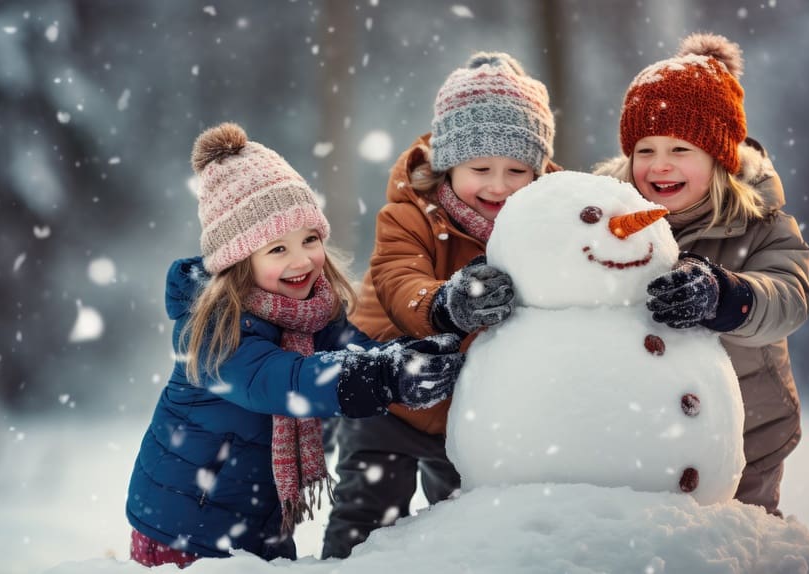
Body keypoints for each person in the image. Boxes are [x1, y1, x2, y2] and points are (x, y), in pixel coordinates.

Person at [125, 122, 465, 567]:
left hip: (258, 524)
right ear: (238, 262)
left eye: (309, 240)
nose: (302, 259)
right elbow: (281, 380)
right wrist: (377, 379)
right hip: (184, 531)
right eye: (277, 249)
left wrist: (404, 359)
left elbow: (351, 350)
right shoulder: (211, 330)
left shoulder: (310, 310)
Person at [322, 51, 559, 558]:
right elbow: (396, 277)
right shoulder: (409, 214)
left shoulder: (549, 219)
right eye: (480, 168)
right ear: (449, 164)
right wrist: (448, 303)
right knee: (367, 512)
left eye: (517, 169)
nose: (498, 185)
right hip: (390, 393)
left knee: (465, 522)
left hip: (472, 407)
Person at [594, 33, 809, 515]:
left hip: (745, 432)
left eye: (680, 149)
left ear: (718, 157)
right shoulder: (607, 218)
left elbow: (788, 296)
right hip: (638, 431)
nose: (660, 165)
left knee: (734, 543)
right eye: (645, 149)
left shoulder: (761, 224)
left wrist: (726, 296)